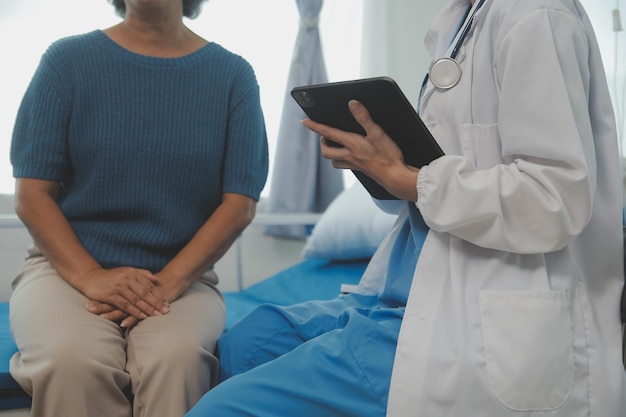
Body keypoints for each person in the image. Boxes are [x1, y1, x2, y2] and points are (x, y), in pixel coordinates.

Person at [185, 0, 625, 416]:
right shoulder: (463, 20)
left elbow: (555, 198)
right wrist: (379, 168)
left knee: (218, 410)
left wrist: (412, 180)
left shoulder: (537, 16)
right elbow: (451, 174)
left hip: (466, 319)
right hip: (401, 294)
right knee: (247, 342)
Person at [8, 0, 269, 415]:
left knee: (177, 361)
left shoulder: (233, 76)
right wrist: (91, 275)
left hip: (182, 276)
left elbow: (238, 204)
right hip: (66, 270)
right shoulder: (66, 61)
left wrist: (169, 281)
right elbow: (32, 194)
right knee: (71, 360)